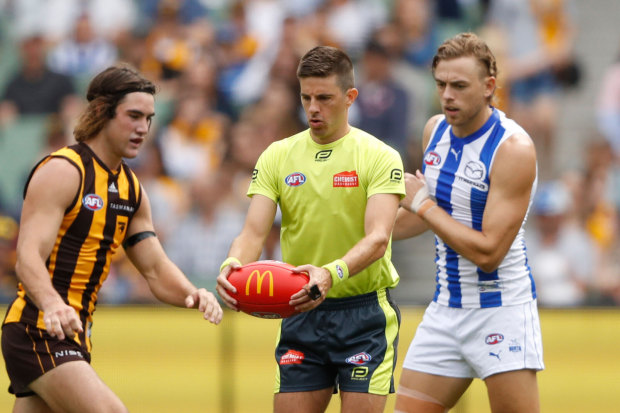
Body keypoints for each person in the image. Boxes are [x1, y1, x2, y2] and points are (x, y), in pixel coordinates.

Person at [1, 64, 223, 413]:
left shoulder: (131, 189)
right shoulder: (63, 170)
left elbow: (154, 268)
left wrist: (193, 294)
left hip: (74, 334)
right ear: (103, 112)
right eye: (134, 116)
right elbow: (27, 257)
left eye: (149, 118)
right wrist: (54, 304)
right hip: (38, 328)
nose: (143, 128)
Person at [216, 45, 405, 413]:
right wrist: (232, 265)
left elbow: (378, 238)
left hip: (364, 315)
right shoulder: (277, 155)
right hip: (301, 312)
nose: (313, 108)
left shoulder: (379, 155)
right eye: (306, 97)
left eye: (324, 97)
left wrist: (330, 274)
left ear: (350, 97)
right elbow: (253, 232)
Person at [392, 33, 544, 412]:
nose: (447, 96)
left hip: (501, 310)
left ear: (489, 86)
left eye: (459, 86)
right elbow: (423, 218)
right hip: (446, 309)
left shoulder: (513, 149)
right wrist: (362, 233)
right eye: (441, 84)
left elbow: (489, 252)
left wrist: (423, 206)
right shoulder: (434, 131)